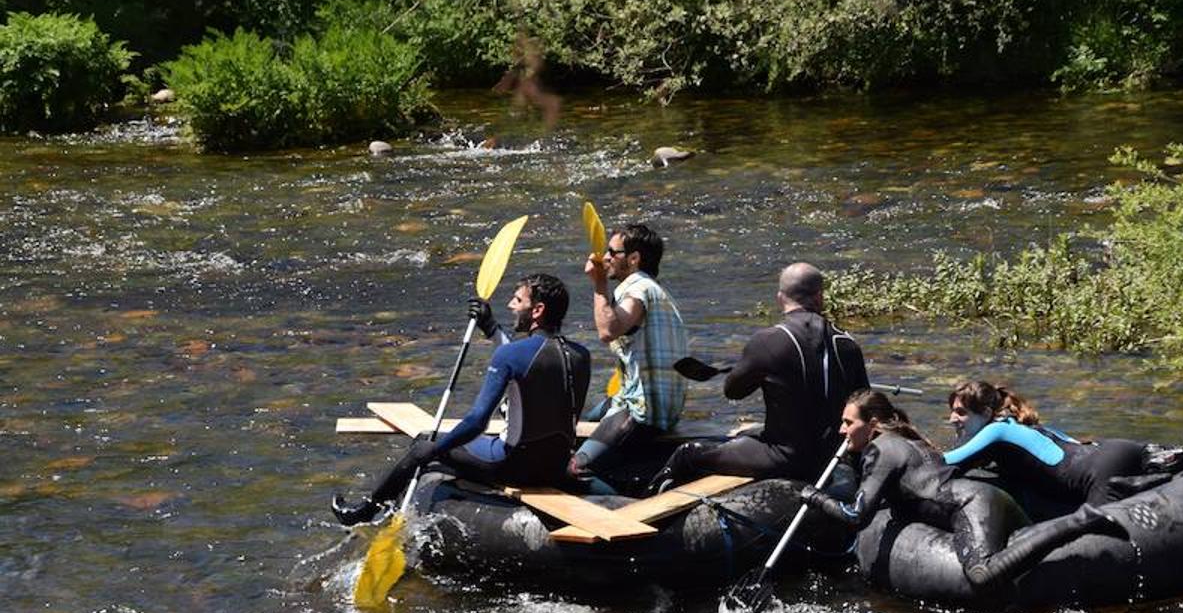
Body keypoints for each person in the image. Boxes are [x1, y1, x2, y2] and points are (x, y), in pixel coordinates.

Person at [331, 273, 591, 525]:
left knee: (425, 442)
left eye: (518, 300)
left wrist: (436, 449)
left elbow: (477, 421)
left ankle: (364, 511)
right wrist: (490, 327)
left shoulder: (510, 355)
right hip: (555, 467)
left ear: (537, 310)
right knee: (470, 442)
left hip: (514, 466)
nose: (511, 305)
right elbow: (533, 363)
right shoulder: (581, 356)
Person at [798, 389, 1120, 591]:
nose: (842, 430)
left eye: (848, 423)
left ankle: (1084, 520)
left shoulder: (881, 450)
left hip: (971, 505)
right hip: (980, 498)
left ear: (872, 424)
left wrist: (814, 496)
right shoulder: (900, 442)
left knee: (982, 575)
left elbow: (856, 515)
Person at [649, 262, 868, 489]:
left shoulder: (768, 340)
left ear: (780, 298)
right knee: (750, 431)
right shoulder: (848, 344)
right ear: (820, 297)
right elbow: (867, 404)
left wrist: (752, 365)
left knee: (688, 453)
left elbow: (733, 392)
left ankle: (646, 499)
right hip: (830, 457)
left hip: (786, 458)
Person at [944, 380, 1183, 507]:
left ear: (987, 411)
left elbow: (943, 464)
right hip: (1112, 449)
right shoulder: (1030, 426)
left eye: (961, 413)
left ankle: (1145, 481)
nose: (953, 419)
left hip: (1097, 473)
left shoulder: (994, 432)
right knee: (1181, 479)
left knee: (1099, 540)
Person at [569, 223, 688, 492]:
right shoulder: (658, 290)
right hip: (662, 405)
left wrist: (599, 286)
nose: (605, 258)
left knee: (576, 470)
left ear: (634, 259)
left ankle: (624, 512)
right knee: (586, 420)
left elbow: (608, 330)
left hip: (644, 411)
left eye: (612, 252)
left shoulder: (636, 287)